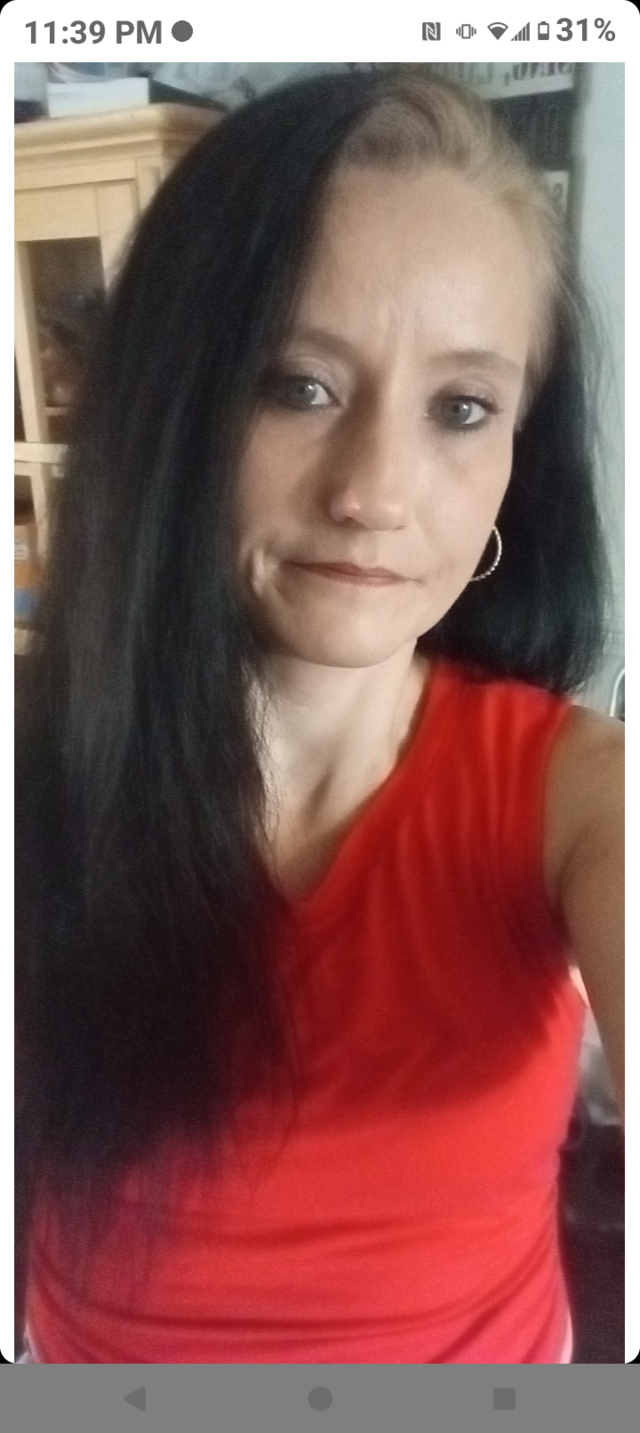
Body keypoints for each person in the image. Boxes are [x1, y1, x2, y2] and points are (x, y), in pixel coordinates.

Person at [15, 68, 624, 1365]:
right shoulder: (33, 774)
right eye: (297, 386)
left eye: (463, 409)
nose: (376, 492)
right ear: (173, 405)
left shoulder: (581, 794)